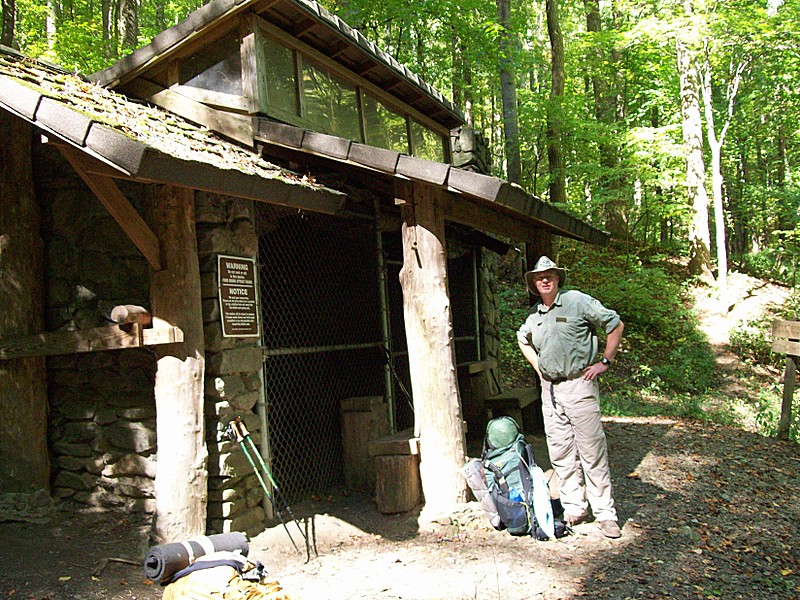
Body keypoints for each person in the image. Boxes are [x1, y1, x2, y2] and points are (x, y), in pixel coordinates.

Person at [516, 255, 624, 539]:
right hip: (550, 391)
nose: (544, 280)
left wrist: (605, 361)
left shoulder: (577, 301)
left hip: (579, 385)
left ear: (557, 278)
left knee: (591, 451)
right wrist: (538, 367)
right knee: (561, 452)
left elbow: (614, 324)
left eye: (549, 275)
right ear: (534, 284)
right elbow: (522, 339)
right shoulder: (534, 316)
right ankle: (574, 507)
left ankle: (605, 513)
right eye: (539, 277)